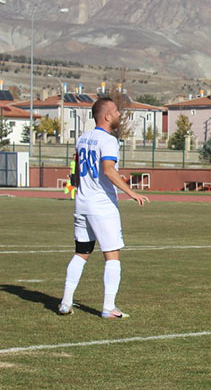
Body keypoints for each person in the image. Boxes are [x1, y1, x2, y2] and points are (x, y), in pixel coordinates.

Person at [58, 97, 150, 319]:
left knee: (81, 253)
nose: (119, 115)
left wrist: (82, 188)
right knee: (112, 256)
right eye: (117, 111)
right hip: (101, 205)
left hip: (82, 203)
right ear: (107, 116)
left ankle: (65, 302)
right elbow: (108, 170)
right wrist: (132, 193)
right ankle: (109, 307)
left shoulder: (82, 138)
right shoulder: (108, 141)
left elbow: (77, 168)